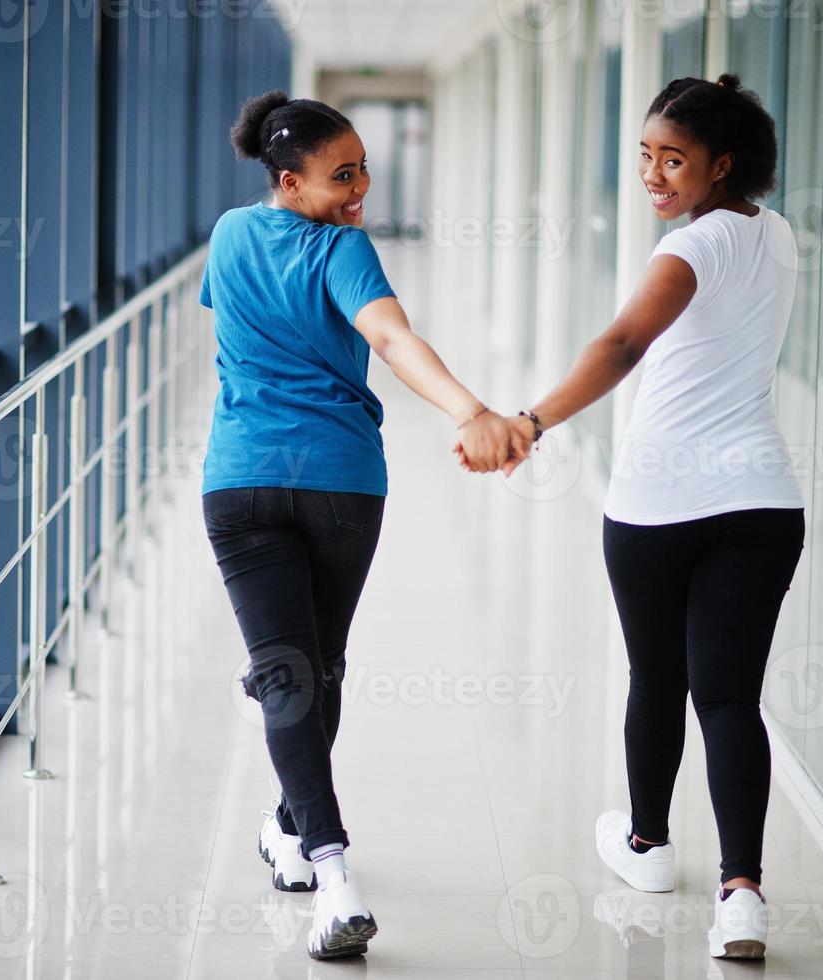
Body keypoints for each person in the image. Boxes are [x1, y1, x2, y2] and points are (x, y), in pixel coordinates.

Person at [485, 73, 806, 961]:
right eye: (645, 157)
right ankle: (741, 894)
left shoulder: (689, 249)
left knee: (657, 679)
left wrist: (531, 420)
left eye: (674, 160)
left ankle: (649, 845)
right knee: (731, 695)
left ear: (721, 164)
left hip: (660, 505)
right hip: (763, 501)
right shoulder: (775, 236)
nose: (655, 176)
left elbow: (621, 343)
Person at [199, 90, 527, 960]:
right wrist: (470, 410)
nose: (359, 188)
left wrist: (470, 408)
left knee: (304, 672)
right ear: (287, 179)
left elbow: (367, 336)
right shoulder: (342, 250)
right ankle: (330, 869)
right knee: (309, 672)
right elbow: (389, 340)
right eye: (340, 175)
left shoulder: (231, 235)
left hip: (244, 478)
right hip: (338, 479)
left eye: (362, 168)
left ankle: (282, 820)